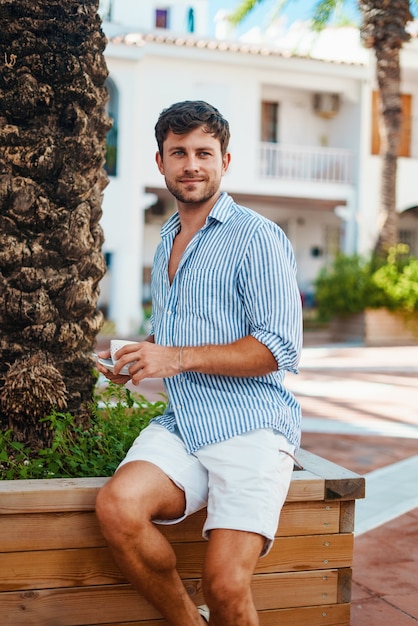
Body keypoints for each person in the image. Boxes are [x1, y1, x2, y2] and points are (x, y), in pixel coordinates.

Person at [95, 100, 303, 626]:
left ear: (225, 162)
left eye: (204, 153)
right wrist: (136, 358)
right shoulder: (166, 237)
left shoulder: (257, 236)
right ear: (160, 162)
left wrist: (176, 357)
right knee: (118, 508)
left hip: (250, 428)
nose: (192, 164)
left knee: (227, 585)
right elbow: (169, 341)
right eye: (179, 152)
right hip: (185, 426)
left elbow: (278, 348)